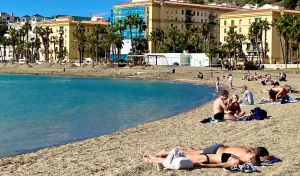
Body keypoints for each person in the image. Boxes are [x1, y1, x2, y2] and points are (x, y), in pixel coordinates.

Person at [142, 145, 270, 169]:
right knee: (184, 154)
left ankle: (152, 159)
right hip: (207, 157)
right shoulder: (237, 159)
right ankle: (152, 159)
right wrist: (204, 165)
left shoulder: (240, 156)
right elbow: (220, 165)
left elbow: (221, 164)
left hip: (209, 156)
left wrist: (204, 165)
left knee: (185, 154)